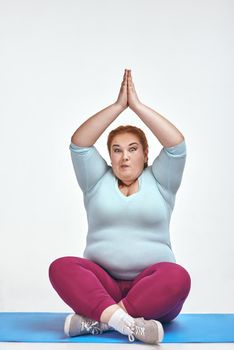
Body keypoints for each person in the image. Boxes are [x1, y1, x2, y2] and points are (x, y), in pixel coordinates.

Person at [49, 69, 191, 344]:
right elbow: (79, 144)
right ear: (110, 155)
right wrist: (117, 107)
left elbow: (176, 145)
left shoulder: (161, 180)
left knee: (178, 278)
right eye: (116, 149)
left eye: (132, 149)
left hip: (153, 293)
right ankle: (128, 324)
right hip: (103, 289)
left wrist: (136, 106)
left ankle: (102, 323)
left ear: (145, 153)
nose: (124, 157)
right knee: (61, 267)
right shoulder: (96, 180)